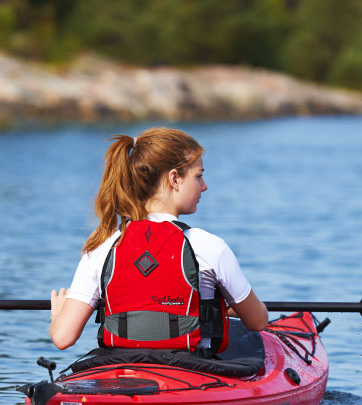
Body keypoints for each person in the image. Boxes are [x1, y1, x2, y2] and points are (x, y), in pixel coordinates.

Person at [49, 126, 268, 351]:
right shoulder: (209, 246)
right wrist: (223, 306)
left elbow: (63, 337)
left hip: (122, 367)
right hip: (192, 367)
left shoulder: (102, 247)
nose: (204, 186)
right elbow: (258, 321)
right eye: (198, 176)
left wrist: (58, 316)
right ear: (174, 178)